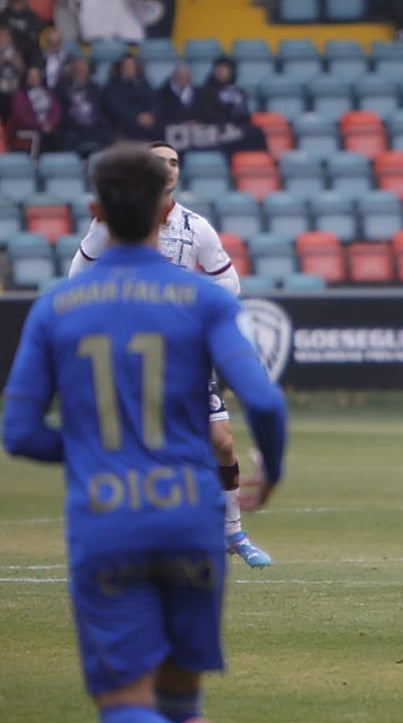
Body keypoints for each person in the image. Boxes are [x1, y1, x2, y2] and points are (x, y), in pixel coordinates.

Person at [2, 143, 287, 723]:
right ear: (165, 211)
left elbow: (20, 433)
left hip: (107, 520)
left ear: (94, 210)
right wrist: (274, 470)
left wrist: (95, 447)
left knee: (125, 707)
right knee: (182, 697)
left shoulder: (55, 308)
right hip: (188, 517)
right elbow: (263, 401)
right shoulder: (205, 299)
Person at [69, 141, 274, 569]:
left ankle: (231, 533)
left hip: (182, 352)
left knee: (221, 442)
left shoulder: (195, 226)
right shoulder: (113, 222)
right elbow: (79, 273)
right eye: (160, 162)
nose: (169, 168)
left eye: (175, 162)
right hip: (130, 352)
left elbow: (229, 281)